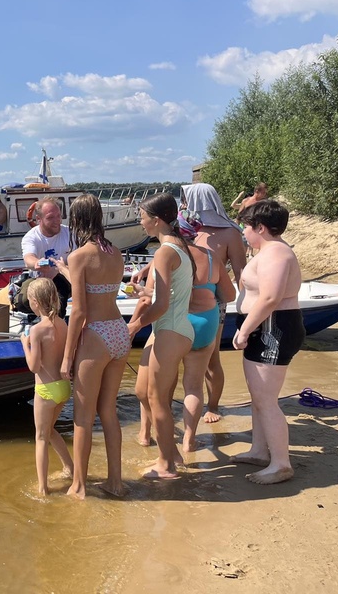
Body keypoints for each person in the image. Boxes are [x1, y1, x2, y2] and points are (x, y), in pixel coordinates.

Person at [61, 194, 129, 498]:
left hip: (96, 335)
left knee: (83, 418)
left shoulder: (79, 256)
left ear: (76, 221)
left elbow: (79, 311)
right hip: (119, 330)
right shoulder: (116, 253)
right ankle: (116, 481)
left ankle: (79, 485)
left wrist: (67, 358)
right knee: (109, 412)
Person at [230, 200, 303, 485]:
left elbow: (271, 298)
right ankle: (260, 451)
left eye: (246, 227)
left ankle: (281, 463)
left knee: (266, 399)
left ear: (260, 228)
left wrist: (244, 330)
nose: (244, 233)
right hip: (267, 327)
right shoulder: (270, 251)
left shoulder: (276, 254)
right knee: (258, 396)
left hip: (272, 328)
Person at [127, 193, 195, 479]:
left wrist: (133, 326)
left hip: (171, 330)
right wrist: (145, 292)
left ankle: (165, 464)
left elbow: (164, 305)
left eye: (142, 216)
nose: (140, 222)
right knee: (142, 391)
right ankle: (174, 454)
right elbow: (168, 295)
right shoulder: (176, 246)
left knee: (157, 399)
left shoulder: (165, 251)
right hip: (169, 329)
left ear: (156, 220)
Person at [182, 183, 247, 423]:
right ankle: (189, 401)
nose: (185, 204)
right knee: (178, 356)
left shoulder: (230, 232)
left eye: (187, 199)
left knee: (211, 358)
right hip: (181, 302)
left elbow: (241, 271)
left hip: (214, 301)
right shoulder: (185, 228)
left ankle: (213, 406)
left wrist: (245, 306)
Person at [20, 277, 74, 495]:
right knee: (50, 431)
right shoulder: (63, 324)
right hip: (63, 388)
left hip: (45, 389)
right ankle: (70, 467)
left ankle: (43, 488)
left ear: (34, 301)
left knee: (41, 437)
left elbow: (34, 367)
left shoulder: (37, 330)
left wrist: (26, 345)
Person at [20, 196, 72, 317]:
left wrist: (57, 270)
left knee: (58, 288)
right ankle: (39, 319)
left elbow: (81, 263)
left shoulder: (70, 234)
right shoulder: (31, 237)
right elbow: (29, 258)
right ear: (39, 219)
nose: (57, 221)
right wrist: (37, 263)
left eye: (58, 216)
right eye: (50, 218)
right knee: (22, 301)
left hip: (66, 276)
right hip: (39, 279)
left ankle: (57, 323)